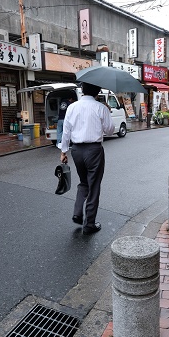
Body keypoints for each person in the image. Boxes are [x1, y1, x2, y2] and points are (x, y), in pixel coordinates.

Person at [59, 83, 115, 235]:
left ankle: (78, 213)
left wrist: (64, 151)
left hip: (76, 150)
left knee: (84, 182)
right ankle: (89, 224)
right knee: (94, 186)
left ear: (82, 90)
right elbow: (110, 131)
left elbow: (66, 131)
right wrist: (107, 113)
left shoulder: (72, 107)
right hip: (94, 150)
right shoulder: (101, 108)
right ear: (98, 92)